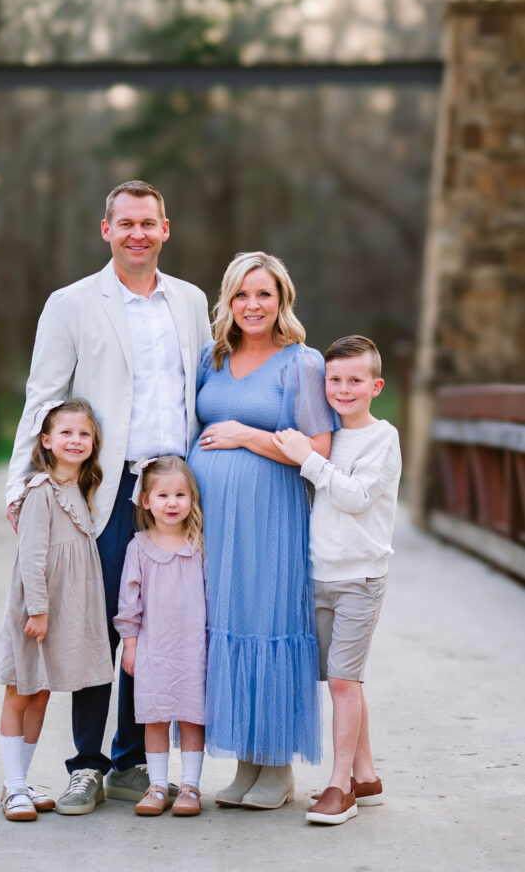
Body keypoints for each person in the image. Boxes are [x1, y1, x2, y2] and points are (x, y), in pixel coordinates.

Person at [6, 181, 211, 815]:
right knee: (95, 627)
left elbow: (204, 387)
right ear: (107, 230)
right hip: (102, 487)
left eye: (148, 223)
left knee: (156, 625)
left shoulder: (190, 301)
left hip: (170, 489)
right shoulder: (71, 303)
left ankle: (131, 761)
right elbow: (43, 397)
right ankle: (86, 764)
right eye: (125, 224)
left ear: (165, 229)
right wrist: (21, 484)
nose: (137, 234)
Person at [187, 251, 339, 810]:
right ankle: (246, 761)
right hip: (214, 520)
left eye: (264, 295)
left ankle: (277, 766)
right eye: (242, 295)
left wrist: (246, 436)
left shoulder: (302, 363)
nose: (253, 305)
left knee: (268, 622)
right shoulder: (212, 358)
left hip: (271, 516)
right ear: (228, 301)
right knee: (228, 625)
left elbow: (319, 448)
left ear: (282, 301)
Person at [273, 334, 402, 825]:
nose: (343, 390)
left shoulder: (382, 438)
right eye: (334, 380)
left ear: (375, 386)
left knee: (344, 682)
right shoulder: (324, 434)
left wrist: (307, 459)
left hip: (359, 578)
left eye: (355, 381)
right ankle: (365, 777)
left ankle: (339, 787)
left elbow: (355, 497)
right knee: (344, 680)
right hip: (317, 574)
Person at [0, 398, 114, 821]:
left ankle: (20, 781)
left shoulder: (81, 489)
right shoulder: (40, 491)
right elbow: (32, 556)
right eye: (66, 432)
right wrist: (39, 610)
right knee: (20, 689)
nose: (76, 440)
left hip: (60, 609)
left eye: (84, 433)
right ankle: (13, 787)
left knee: (41, 693)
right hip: (36, 607)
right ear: (46, 441)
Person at [114, 456, 206, 817]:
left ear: (192, 499)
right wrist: (130, 645)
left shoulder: (198, 544)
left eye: (180, 495)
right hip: (155, 648)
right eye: (163, 495)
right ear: (146, 500)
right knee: (156, 716)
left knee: (191, 715)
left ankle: (190, 786)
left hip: (193, 647)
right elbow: (129, 601)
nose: (172, 503)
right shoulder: (139, 546)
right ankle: (156, 785)